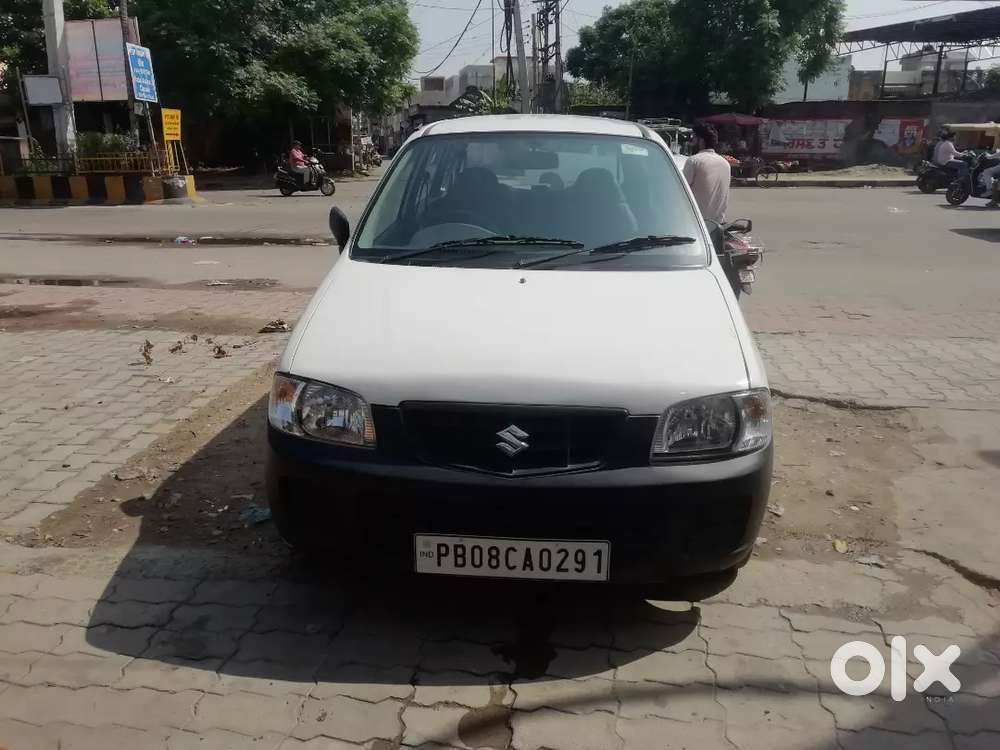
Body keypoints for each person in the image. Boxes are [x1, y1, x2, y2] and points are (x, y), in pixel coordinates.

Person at [683, 123, 731, 225]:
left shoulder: (694, 161)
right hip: (717, 226)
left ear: (701, 141)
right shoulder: (725, 163)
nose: (691, 143)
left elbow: (681, 192)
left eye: (694, 138)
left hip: (696, 224)